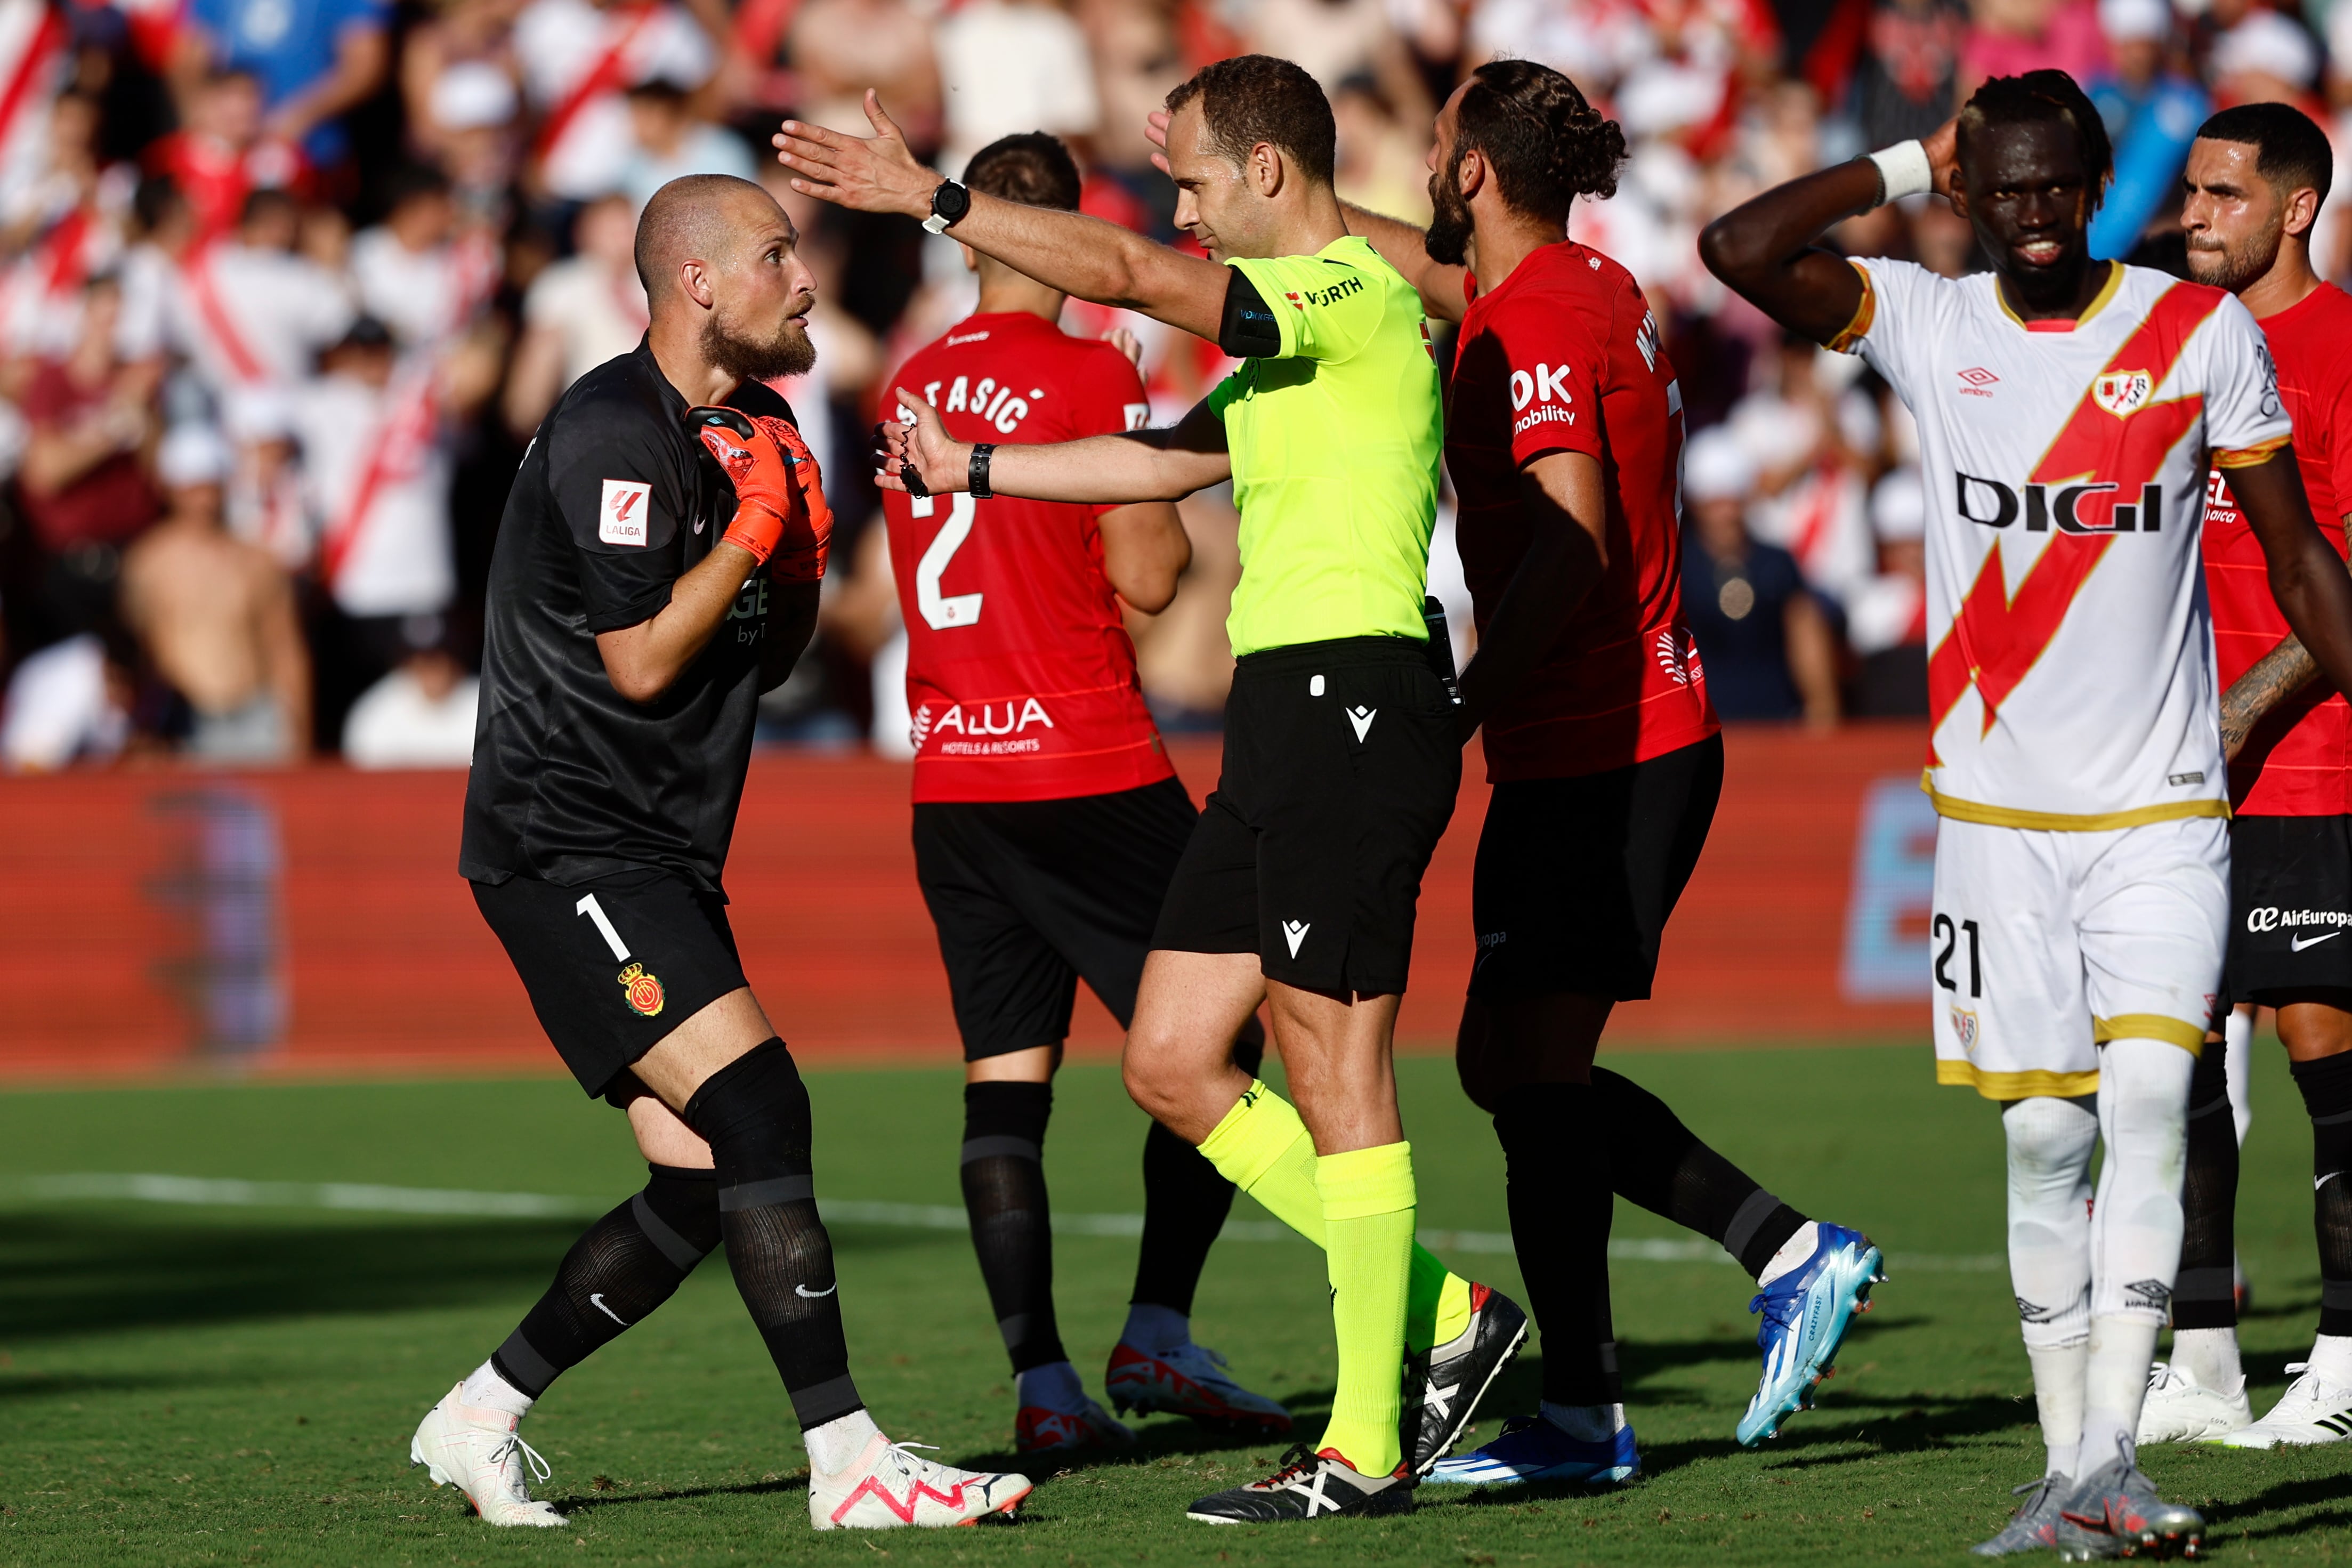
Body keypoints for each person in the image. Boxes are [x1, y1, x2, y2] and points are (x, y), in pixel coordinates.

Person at [778, 57, 1521, 1523]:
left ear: (1264, 172)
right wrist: (974, 466)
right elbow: (1154, 456)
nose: (1176, 213)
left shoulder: (1346, 299)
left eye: (1189, 180)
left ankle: (1363, 1443)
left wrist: (933, 197)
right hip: (1276, 717)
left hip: (1354, 702)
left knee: (1334, 1067)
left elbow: (1119, 267)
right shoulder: (1274, 350)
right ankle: (1447, 1313)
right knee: (1175, 1058)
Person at [1700, 69, 2352, 1557]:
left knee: (2142, 1103)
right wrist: (1889, 157)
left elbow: (2302, 558)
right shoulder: (1927, 324)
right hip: (1992, 825)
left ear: (2094, 182)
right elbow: (1737, 250)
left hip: (2161, 811)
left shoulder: (2198, 334)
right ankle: (2067, 1469)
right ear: (1966, 192)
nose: (2034, 214)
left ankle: (2114, 1453)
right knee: (2042, 1142)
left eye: (2058, 184)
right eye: (2001, 188)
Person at [407, 173, 1031, 1532]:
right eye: (776, 254)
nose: (805, 280)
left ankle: (481, 1412)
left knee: (701, 1174)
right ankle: (847, 1458)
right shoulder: (611, 433)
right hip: (566, 845)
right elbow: (637, 663)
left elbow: (770, 656)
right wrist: (756, 526)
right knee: (760, 1109)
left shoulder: (753, 421)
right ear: (697, 283)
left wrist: (797, 560)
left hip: (656, 850)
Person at [1341, 59, 1884, 1486]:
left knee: (1518, 1063)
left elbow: (1572, 536)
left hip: (1604, 742)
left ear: (1469, 173)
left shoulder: (1529, 320)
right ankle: (1590, 1403)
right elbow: (1423, 272)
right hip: (1606, 736)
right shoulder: (1580, 286)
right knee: (1515, 1065)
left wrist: (1457, 703)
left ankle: (1775, 1252)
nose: (1416, 173)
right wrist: (1278, 216)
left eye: (1433, 151)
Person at [878, 130, 1291, 1456]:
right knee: (1223, 1041)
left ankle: (1042, 1387)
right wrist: (1127, 423)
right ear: (1054, 236)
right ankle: (1158, 1331)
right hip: (1087, 764)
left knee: (1006, 1082)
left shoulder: (912, 377)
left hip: (954, 775)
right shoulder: (1083, 370)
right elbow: (1155, 577)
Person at [2133, 101, 2352, 1451]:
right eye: (2192, 192)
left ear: (2294, 207)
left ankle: (2341, 1357)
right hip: (2171, 771)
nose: (2193, 212)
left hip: (2309, 757)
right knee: (2180, 1067)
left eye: (2222, 193)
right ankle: (2204, 1359)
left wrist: (2242, 713)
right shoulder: (2174, 346)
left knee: (2320, 1046)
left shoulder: (2336, 351)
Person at [119, 423, 309, 763]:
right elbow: (141, 652)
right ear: (170, 490)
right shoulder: (148, 564)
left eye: (211, 489)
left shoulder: (256, 561)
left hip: (256, 719)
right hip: (185, 723)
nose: (205, 501)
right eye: (193, 490)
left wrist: (299, 736)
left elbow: (286, 651)